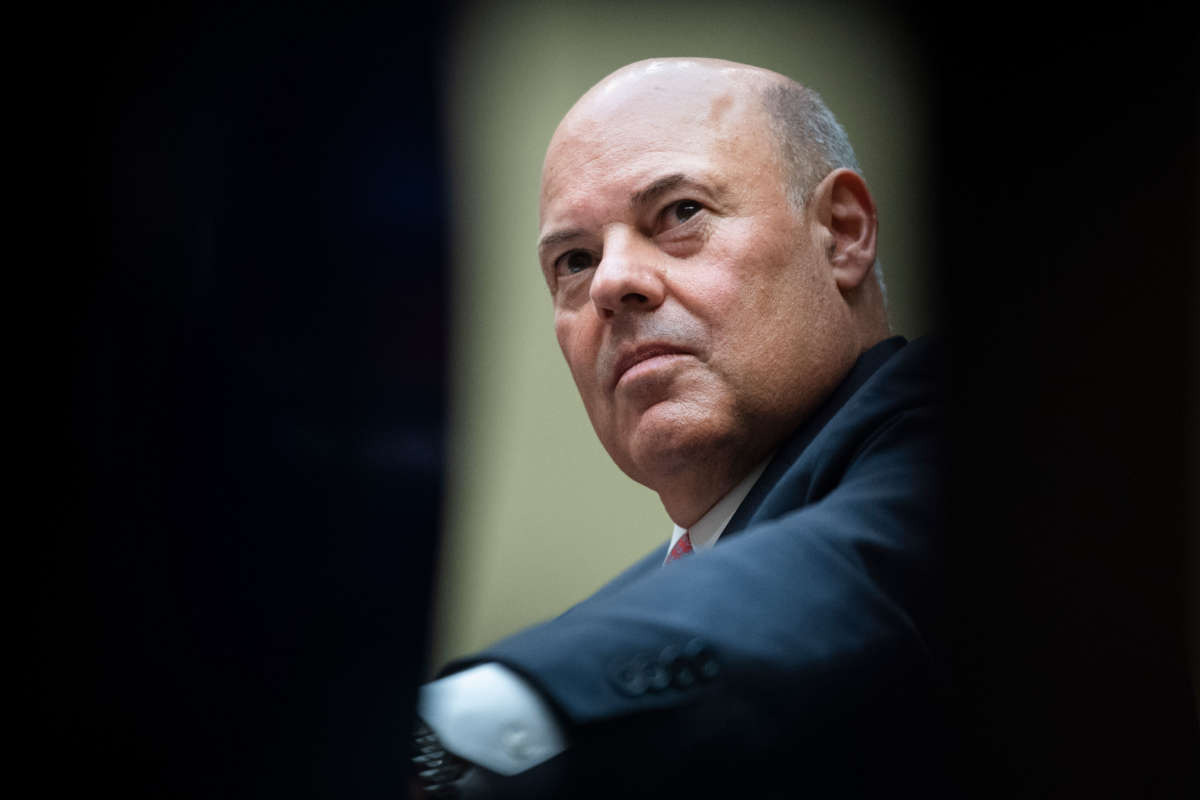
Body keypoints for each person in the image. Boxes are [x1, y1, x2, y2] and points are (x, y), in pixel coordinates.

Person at [412, 57, 950, 798]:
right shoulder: (634, 619)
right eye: (574, 259)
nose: (610, 283)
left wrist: (475, 723)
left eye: (679, 213)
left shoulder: (960, 450)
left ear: (842, 232)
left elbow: (866, 566)